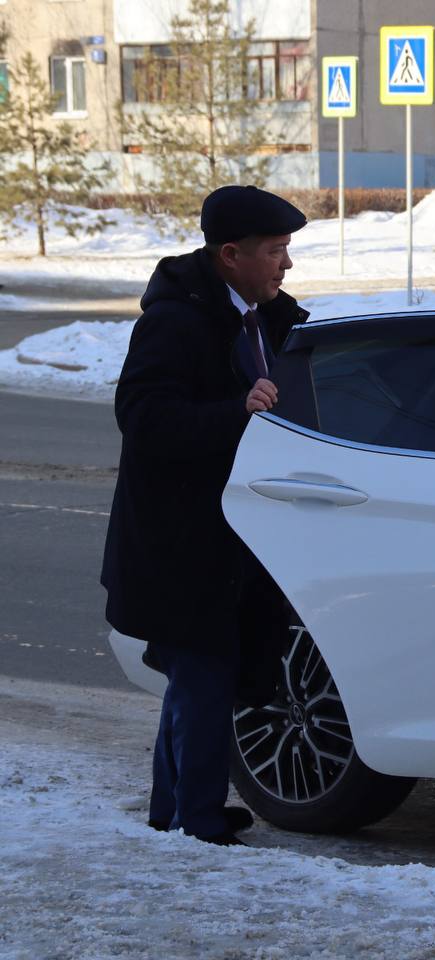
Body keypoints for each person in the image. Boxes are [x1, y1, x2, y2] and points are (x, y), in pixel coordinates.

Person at [100, 186, 309, 845]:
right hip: (180, 540)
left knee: (199, 674)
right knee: (204, 670)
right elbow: (142, 417)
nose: (286, 265)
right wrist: (236, 412)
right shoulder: (175, 322)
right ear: (229, 256)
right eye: (275, 252)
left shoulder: (269, 316)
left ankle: (174, 809)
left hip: (234, 534)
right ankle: (197, 817)